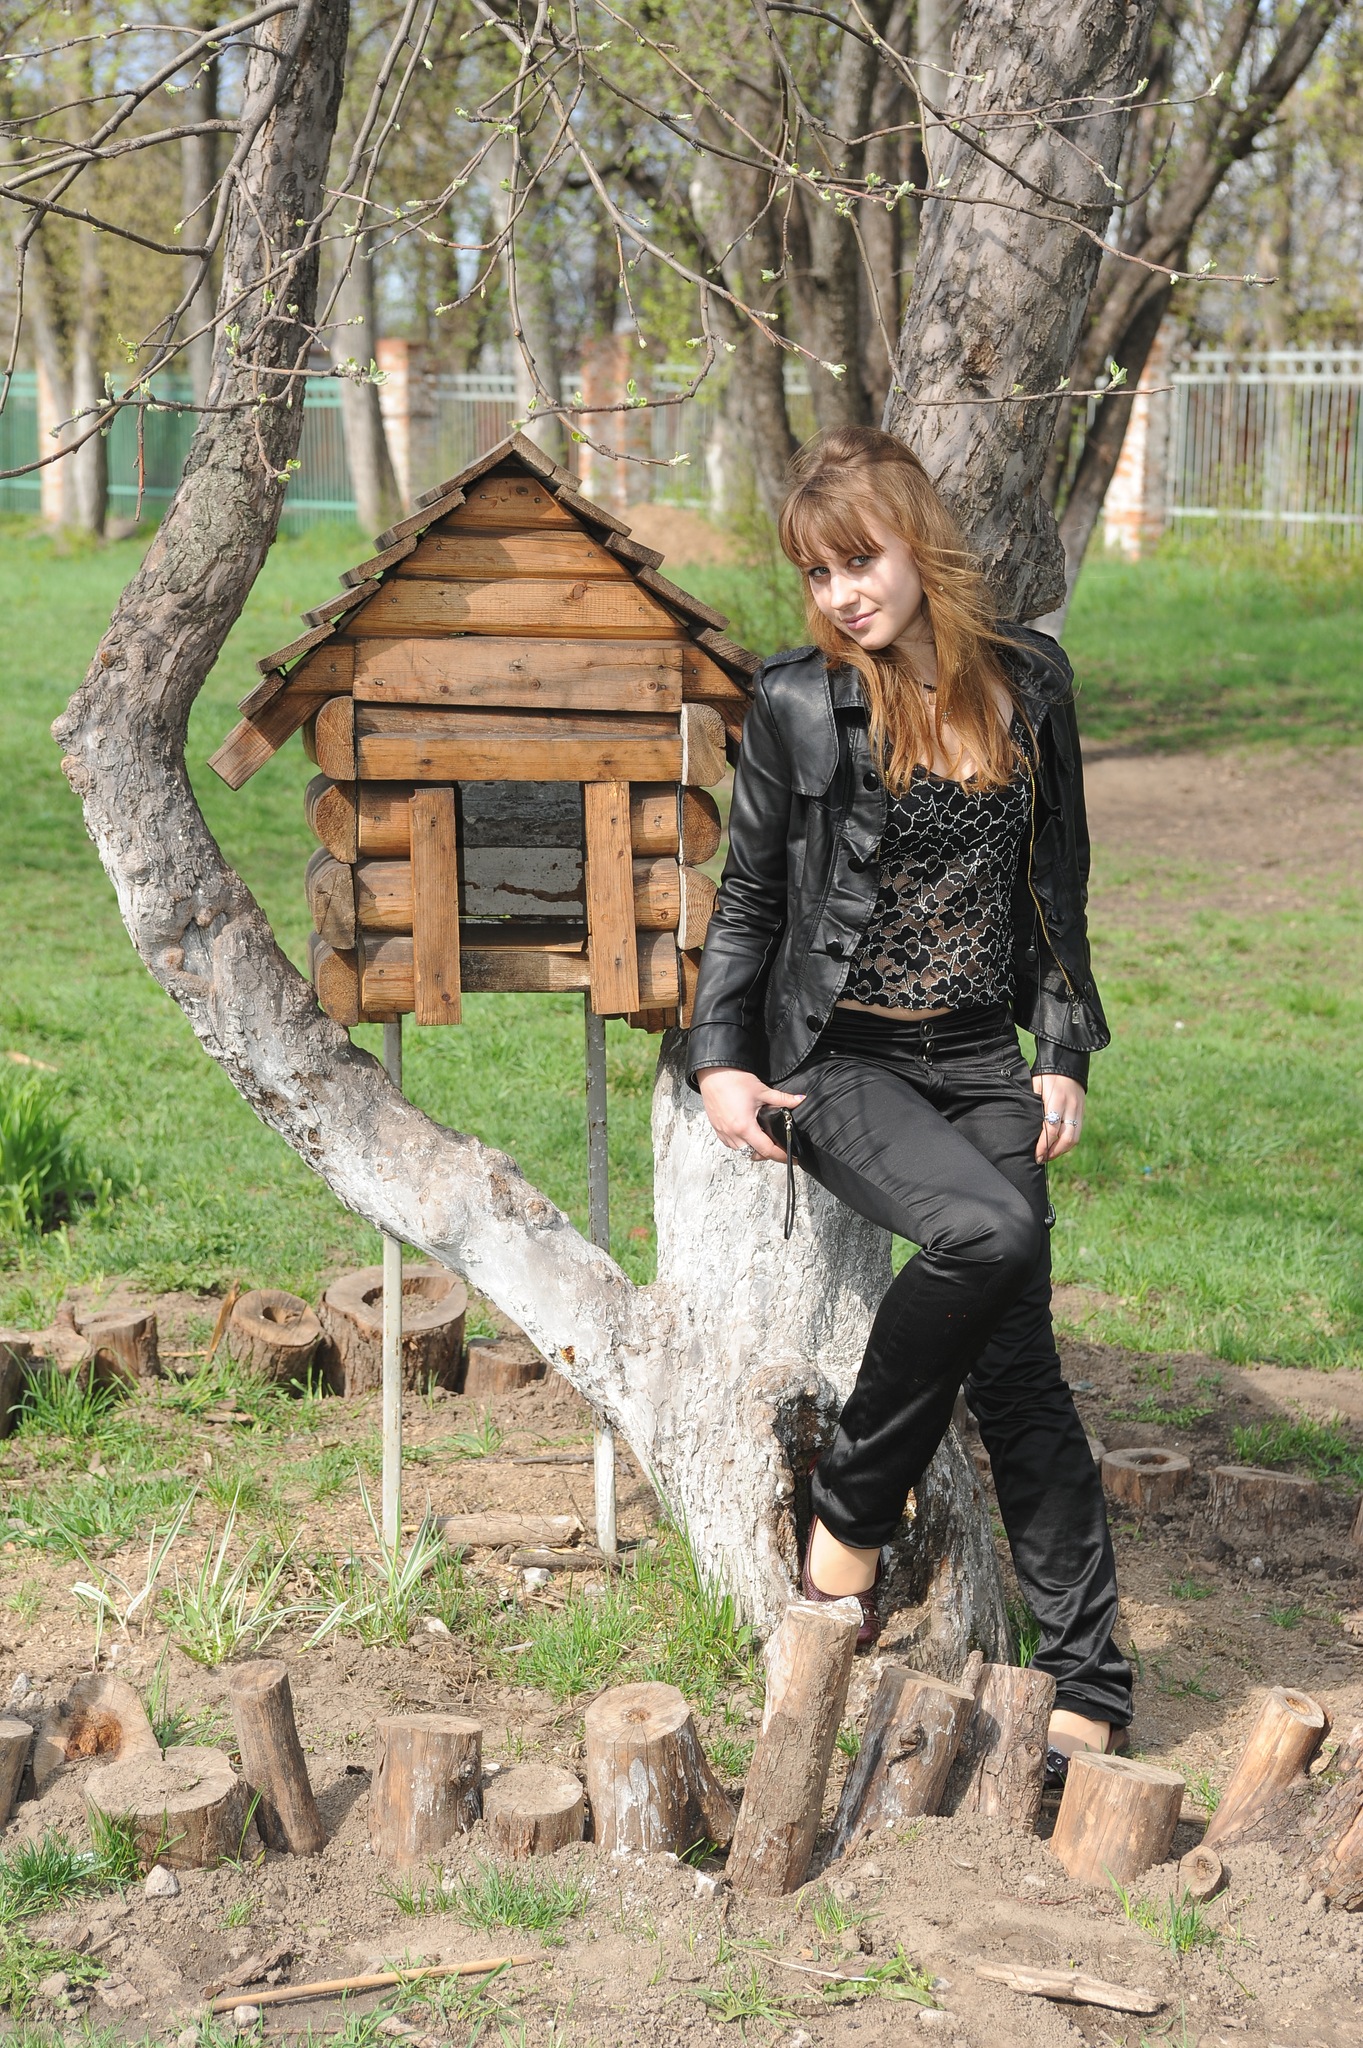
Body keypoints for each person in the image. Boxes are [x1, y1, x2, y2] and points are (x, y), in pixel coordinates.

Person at [686, 426, 1131, 1778]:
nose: (840, 596)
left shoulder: (1030, 685)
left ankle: (1090, 1681)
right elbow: (750, 894)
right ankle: (850, 1519)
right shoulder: (797, 701)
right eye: (817, 575)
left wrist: (1063, 1045)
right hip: (840, 1060)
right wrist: (720, 1058)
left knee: (1023, 1371)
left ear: (919, 545)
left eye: (859, 562)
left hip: (983, 1056)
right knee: (991, 1234)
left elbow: (1058, 885)